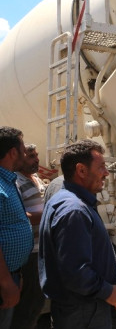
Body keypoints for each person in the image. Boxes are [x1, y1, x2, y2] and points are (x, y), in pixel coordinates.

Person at [39, 139, 116, 329]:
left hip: (79, 308)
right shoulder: (74, 210)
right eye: (101, 167)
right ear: (81, 170)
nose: (106, 173)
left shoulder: (68, 200)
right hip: (84, 310)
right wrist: (108, 291)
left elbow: (74, 255)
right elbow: (74, 271)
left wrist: (107, 264)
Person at [11, 144, 46, 329]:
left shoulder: (35, 178)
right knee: (29, 303)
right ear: (18, 158)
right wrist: (49, 214)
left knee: (37, 301)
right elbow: (18, 216)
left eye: (36, 155)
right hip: (29, 252)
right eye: (31, 156)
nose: (36, 159)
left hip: (41, 250)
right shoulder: (15, 182)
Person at [0, 127, 31, 329]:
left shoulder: (9, 181)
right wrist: (6, 282)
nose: (26, 154)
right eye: (23, 149)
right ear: (13, 152)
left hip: (11, 274)